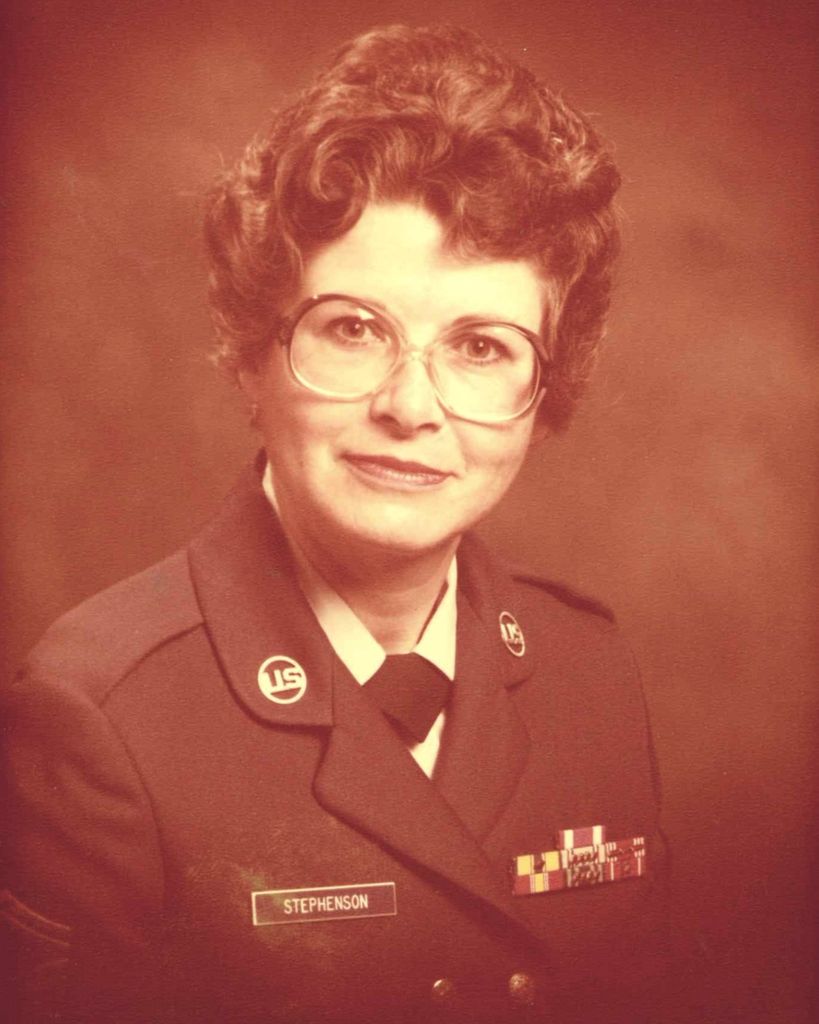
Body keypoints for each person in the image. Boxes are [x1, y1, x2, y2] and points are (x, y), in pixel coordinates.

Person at [1, 24, 671, 1024]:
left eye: (482, 348)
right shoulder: (99, 714)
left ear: (543, 397)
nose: (411, 407)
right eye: (354, 329)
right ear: (252, 357)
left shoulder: (593, 671)